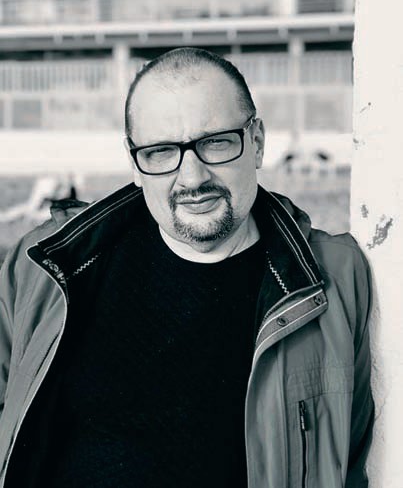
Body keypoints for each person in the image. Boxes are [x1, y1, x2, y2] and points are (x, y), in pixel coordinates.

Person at [0, 47, 373, 488]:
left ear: (256, 142)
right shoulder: (45, 265)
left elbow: (351, 463)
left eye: (215, 142)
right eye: (161, 152)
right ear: (134, 162)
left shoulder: (335, 278)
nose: (193, 178)